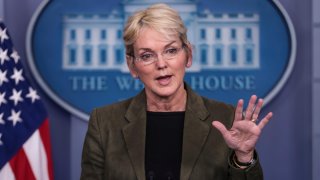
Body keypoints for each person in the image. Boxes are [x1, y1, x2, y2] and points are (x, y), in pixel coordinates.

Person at [80, 3, 273, 180]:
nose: (162, 64)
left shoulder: (225, 118)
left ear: (188, 55)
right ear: (132, 66)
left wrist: (244, 157)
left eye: (171, 51)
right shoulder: (104, 122)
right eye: (147, 55)